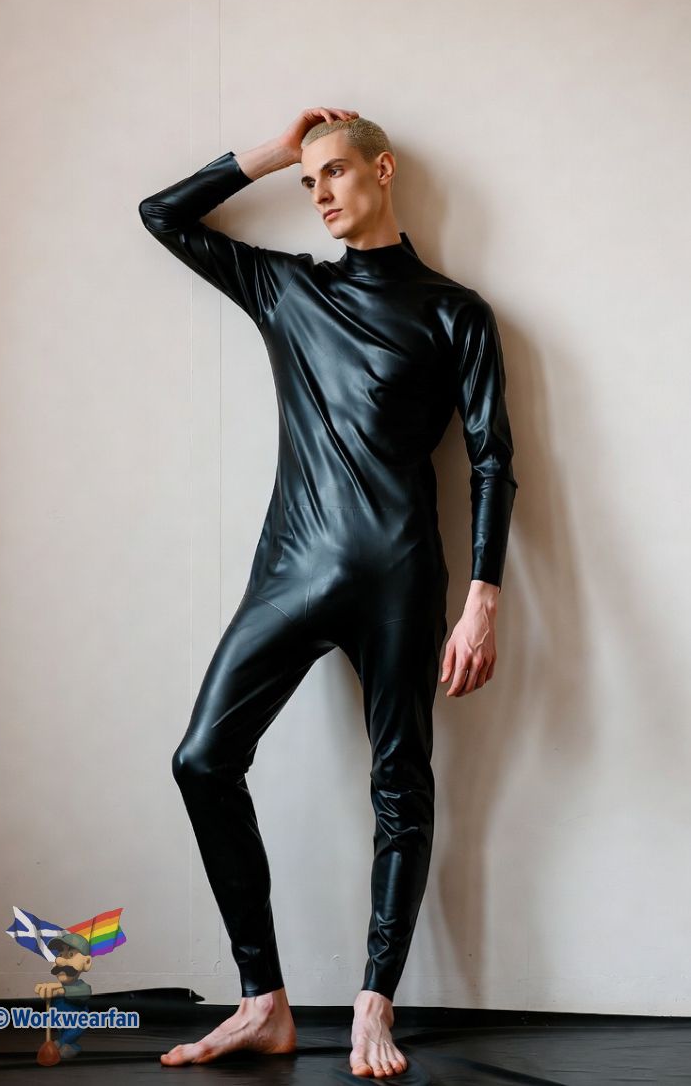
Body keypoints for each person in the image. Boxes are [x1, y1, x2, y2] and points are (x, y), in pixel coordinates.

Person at [138, 106, 518, 1079]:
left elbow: (491, 459)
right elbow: (162, 215)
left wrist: (483, 596)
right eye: (308, 183)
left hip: (401, 577)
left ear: (382, 171)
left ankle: (372, 1004)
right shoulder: (288, 289)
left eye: (335, 173)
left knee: (401, 786)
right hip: (292, 571)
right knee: (201, 760)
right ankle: (261, 1001)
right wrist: (270, 152)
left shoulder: (455, 311)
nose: (319, 195)